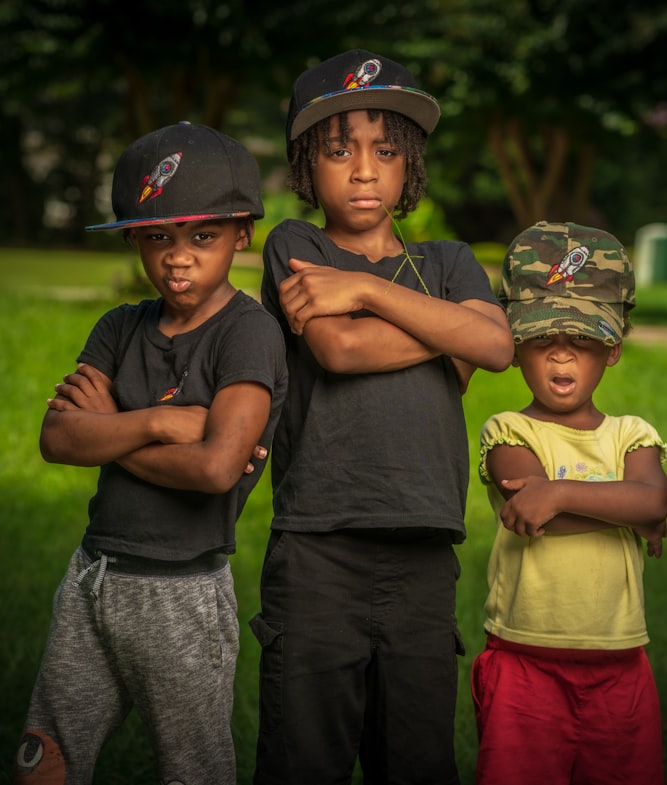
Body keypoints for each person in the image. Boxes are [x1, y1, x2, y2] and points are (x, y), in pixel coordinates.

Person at [249, 49, 515, 785]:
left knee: (419, 760)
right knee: (305, 758)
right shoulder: (297, 246)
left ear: (410, 165)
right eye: (339, 151)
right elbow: (337, 349)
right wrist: (440, 332)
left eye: (385, 150)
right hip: (318, 549)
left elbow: (494, 345)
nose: (364, 169)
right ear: (308, 166)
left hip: (424, 554)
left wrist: (366, 293)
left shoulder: (450, 258)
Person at [11, 122, 287, 785]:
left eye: (202, 236)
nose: (178, 257)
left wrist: (110, 427)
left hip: (182, 591)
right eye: (157, 236)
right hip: (92, 576)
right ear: (134, 237)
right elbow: (58, 438)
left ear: (241, 231)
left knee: (193, 770)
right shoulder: (119, 326)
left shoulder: (248, 334)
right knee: (44, 754)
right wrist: (161, 421)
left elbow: (218, 467)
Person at [471, 221, 667, 785]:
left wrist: (558, 491)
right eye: (542, 341)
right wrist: (628, 509)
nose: (561, 357)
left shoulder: (632, 433)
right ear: (514, 349)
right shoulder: (508, 432)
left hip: (622, 668)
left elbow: (653, 500)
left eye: (581, 341)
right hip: (525, 662)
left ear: (611, 351)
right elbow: (535, 518)